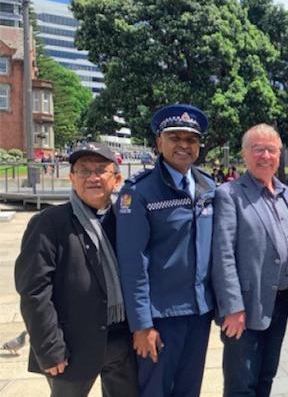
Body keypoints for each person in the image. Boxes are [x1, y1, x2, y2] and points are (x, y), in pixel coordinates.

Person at [15, 143, 137, 397]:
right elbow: (34, 291)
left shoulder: (126, 219)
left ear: (116, 178)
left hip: (122, 342)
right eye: (83, 171)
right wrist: (49, 349)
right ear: (71, 178)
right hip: (70, 347)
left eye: (100, 170)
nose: (92, 177)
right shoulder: (49, 223)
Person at [116, 104, 216, 396]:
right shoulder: (139, 192)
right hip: (160, 316)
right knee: (156, 390)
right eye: (175, 138)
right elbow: (132, 262)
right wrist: (142, 325)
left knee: (189, 389)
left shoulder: (208, 186)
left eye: (191, 139)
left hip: (199, 312)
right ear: (159, 142)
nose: (184, 145)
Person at [211, 124, 288, 396]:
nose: (265, 156)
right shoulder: (230, 195)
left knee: (267, 377)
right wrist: (232, 307)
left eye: (271, 150)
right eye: (258, 149)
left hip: (280, 302)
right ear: (244, 154)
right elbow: (223, 254)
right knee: (241, 385)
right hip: (245, 308)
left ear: (279, 155)